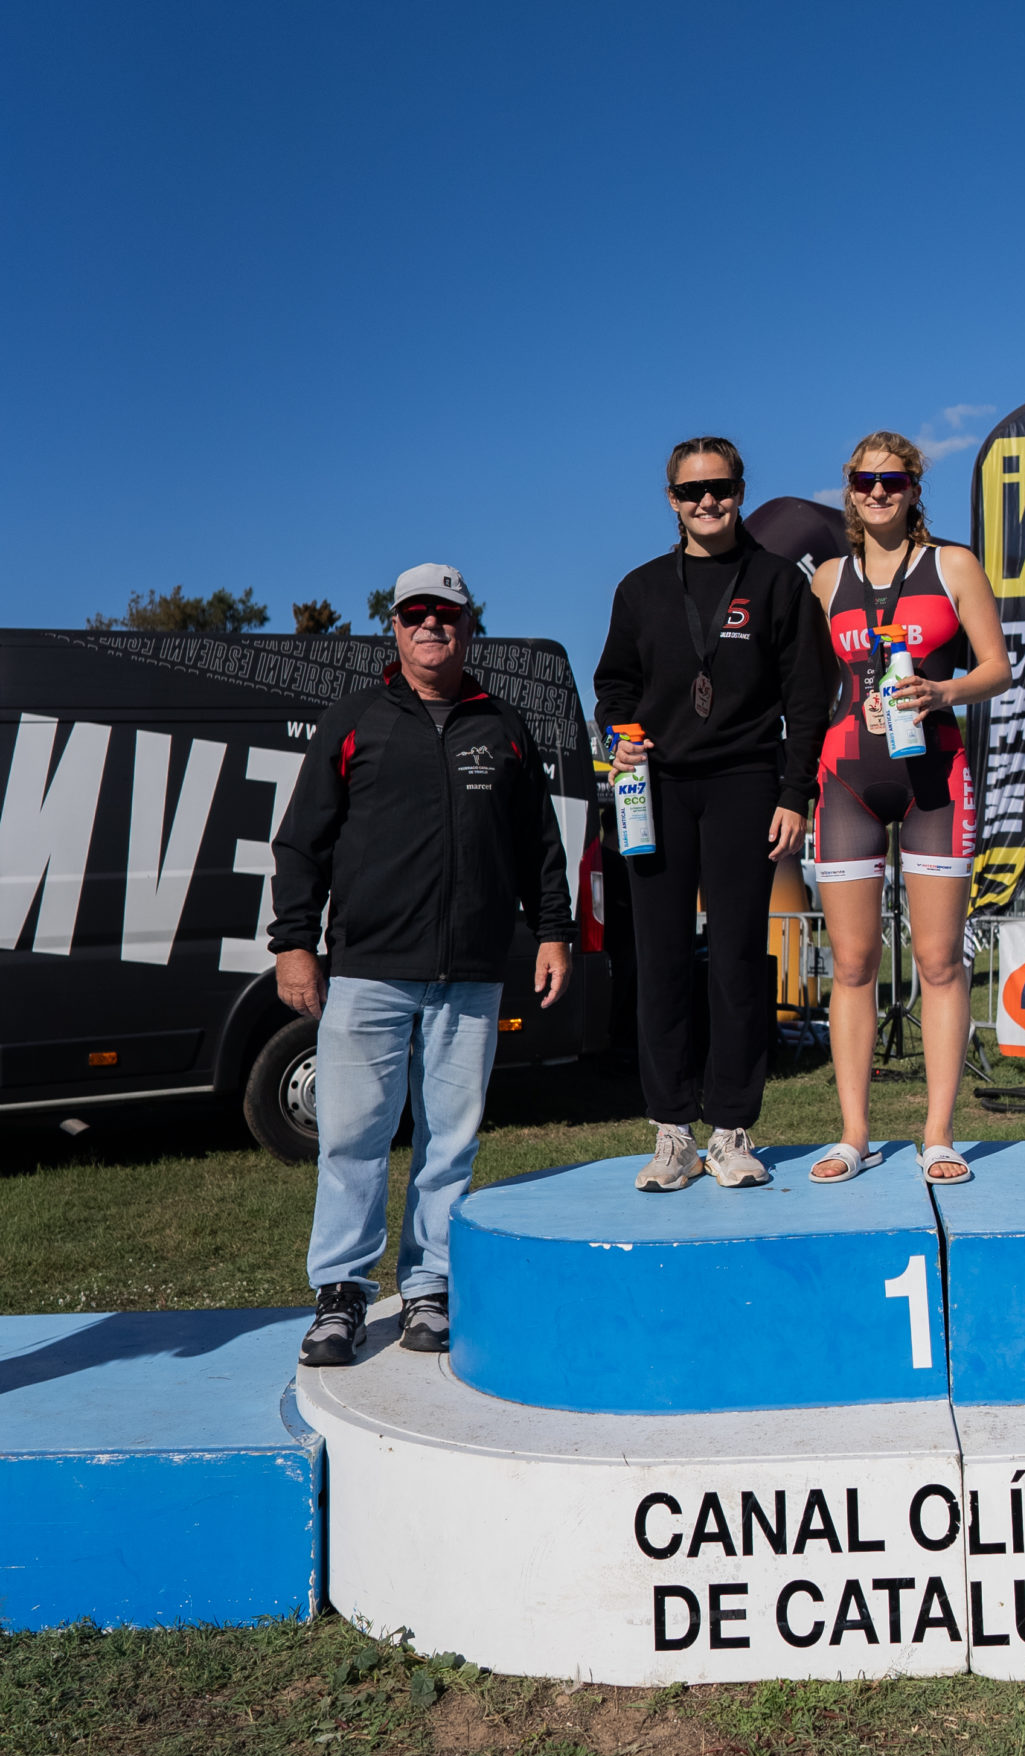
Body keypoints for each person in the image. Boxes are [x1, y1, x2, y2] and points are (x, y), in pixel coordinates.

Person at [271, 564, 573, 1367]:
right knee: (351, 1140)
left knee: (450, 1144)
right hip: (368, 970)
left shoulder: (503, 726)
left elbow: (539, 845)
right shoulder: (354, 720)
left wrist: (554, 931)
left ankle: (430, 1287)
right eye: (415, 614)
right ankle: (341, 1295)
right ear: (395, 629)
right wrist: (294, 942)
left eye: (445, 612)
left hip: (471, 971)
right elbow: (301, 843)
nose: (430, 624)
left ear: (469, 626)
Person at [594, 438, 831, 1191]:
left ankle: (731, 1130)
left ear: (740, 491)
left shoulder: (777, 582)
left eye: (720, 488)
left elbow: (808, 696)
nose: (707, 502)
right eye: (692, 491)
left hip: (744, 784)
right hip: (656, 788)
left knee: (735, 960)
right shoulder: (639, 588)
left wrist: (795, 792)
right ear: (671, 499)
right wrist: (618, 738)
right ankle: (672, 1134)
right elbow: (614, 686)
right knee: (660, 959)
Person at [807, 433, 1011, 1184]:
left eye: (893, 481)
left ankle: (938, 1135)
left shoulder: (952, 565)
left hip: (935, 778)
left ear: (915, 490)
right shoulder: (828, 579)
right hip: (848, 777)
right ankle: (853, 1135)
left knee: (938, 961)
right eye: (866, 479)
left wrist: (943, 690)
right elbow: (806, 683)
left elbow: (998, 667)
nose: (878, 492)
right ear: (850, 488)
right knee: (854, 963)